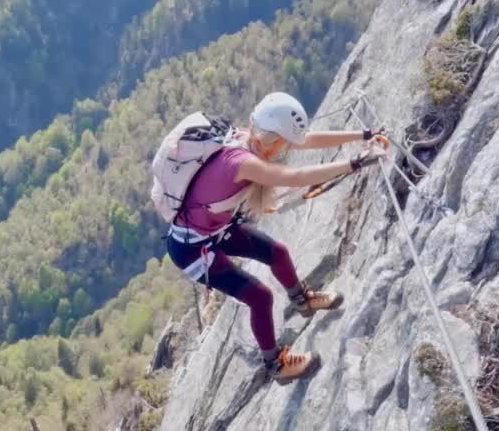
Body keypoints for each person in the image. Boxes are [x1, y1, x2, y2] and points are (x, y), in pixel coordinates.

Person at [165, 92, 387, 384]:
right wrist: (356, 162)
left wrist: (364, 134)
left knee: (278, 253)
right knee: (260, 297)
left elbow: (306, 139)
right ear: (273, 138)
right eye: (283, 143)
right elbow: (296, 177)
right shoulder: (242, 162)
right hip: (192, 249)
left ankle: (302, 301)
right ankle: (275, 365)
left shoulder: (246, 137)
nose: (286, 148)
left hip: (212, 229)